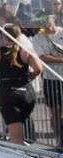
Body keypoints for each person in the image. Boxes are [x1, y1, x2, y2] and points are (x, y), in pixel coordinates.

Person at [0, 24, 43, 145]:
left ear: (3, 37)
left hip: (8, 93)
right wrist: (31, 76)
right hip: (26, 93)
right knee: (19, 127)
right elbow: (39, 68)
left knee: (16, 135)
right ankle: (27, 145)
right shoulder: (26, 51)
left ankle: (21, 156)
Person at [31, 16, 63, 149]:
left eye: (50, 25)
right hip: (50, 79)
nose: (49, 28)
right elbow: (42, 57)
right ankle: (58, 140)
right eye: (45, 25)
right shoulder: (38, 38)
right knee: (55, 112)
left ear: (54, 21)